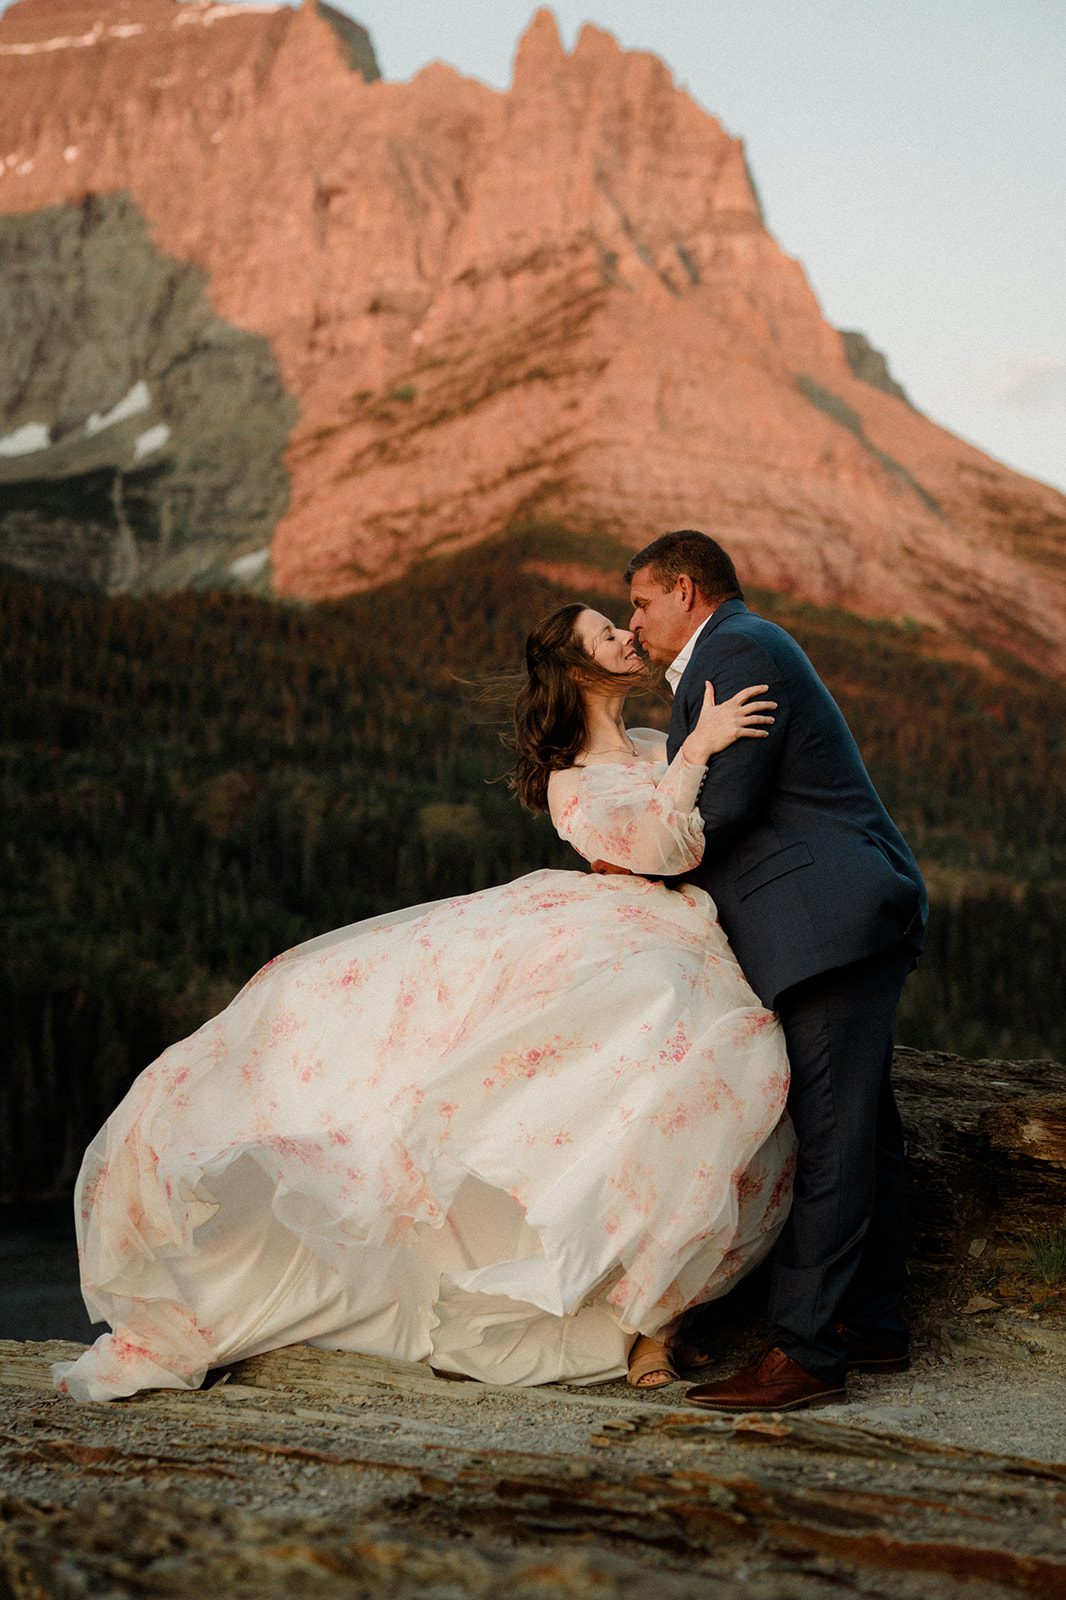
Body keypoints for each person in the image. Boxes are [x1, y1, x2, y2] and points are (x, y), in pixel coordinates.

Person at [54, 602, 796, 1403]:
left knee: (714, 1080)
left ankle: (657, 1313)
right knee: (605, 1049)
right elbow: (662, 845)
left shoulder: (651, 743)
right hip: (623, 928)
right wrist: (698, 751)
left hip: (677, 929)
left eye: (621, 623)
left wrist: (693, 751)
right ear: (576, 670)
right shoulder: (572, 779)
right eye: (603, 634)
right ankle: (634, 1315)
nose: (625, 635)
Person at [626, 531, 927, 1412]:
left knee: (831, 1139)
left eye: (642, 603)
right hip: (837, 916)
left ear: (685, 589)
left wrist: (631, 862)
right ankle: (868, 1326)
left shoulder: (738, 648)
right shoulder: (741, 644)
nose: (634, 623)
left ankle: (803, 1353)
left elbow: (723, 807)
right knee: (865, 1127)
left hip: (826, 922)